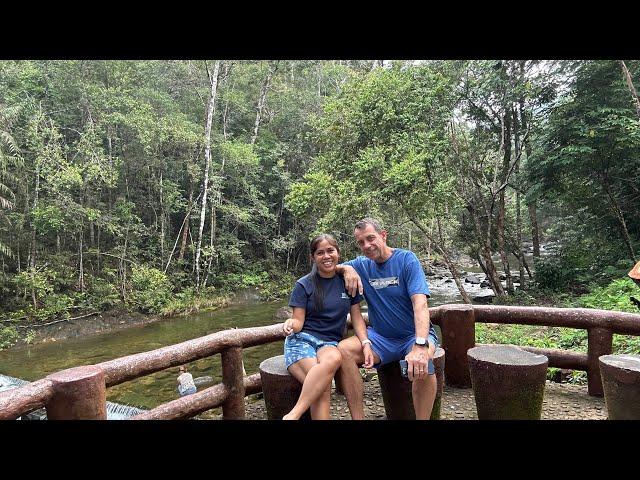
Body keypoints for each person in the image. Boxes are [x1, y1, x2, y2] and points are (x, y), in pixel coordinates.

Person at [335, 218, 438, 420]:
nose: (367, 245)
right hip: (381, 338)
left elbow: (420, 304)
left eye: (371, 238)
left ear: (383, 235)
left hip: (412, 335)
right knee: (343, 351)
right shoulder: (361, 265)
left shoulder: (407, 260)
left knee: (423, 362)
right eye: (361, 242)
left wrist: (420, 344)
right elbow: (327, 267)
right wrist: (345, 269)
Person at [281, 234, 369, 420]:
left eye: (331, 251)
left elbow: (357, 317)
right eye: (320, 253)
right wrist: (290, 324)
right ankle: (294, 415)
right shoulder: (304, 284)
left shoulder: (348, 282)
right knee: (322, 387)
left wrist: (365, 342)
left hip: (329, 343)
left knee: (335, 357)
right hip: (302, 340)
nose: (326, 256)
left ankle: (293, 415)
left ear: (338, 253)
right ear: (313, 258)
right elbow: (298, 322)